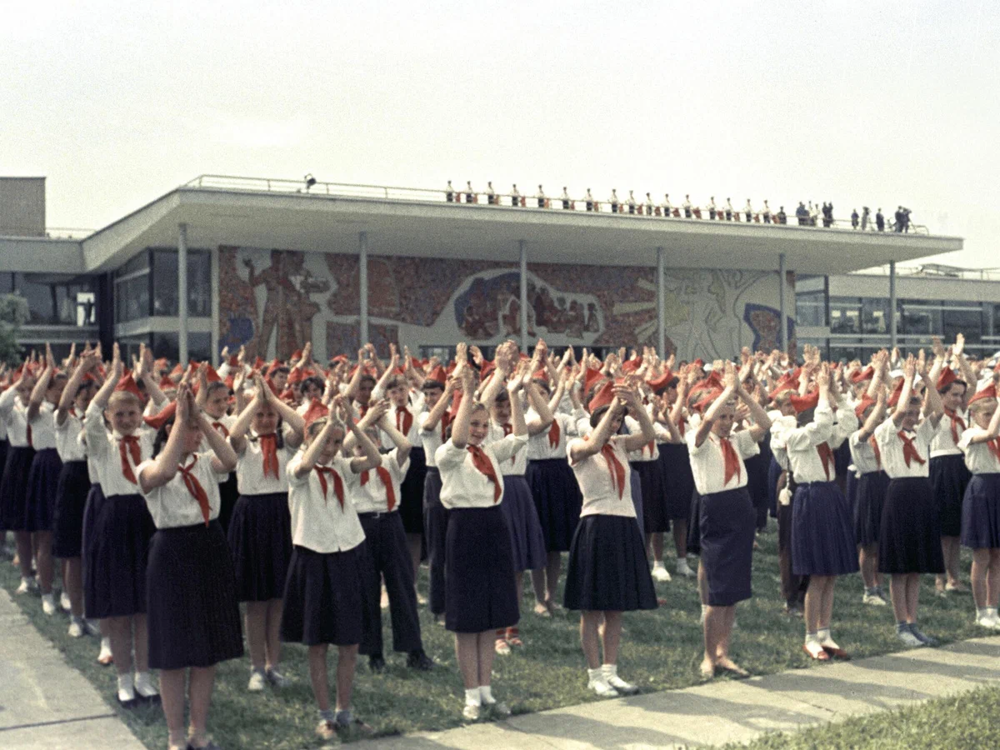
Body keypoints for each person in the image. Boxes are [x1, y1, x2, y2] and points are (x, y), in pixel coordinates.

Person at [137, 385, 242, 750]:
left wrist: (200, 420)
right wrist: (181, 420)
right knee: (174, 653)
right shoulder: (147, 466)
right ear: (170, 431)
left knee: (205, 651)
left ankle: (198, 730)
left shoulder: (206, 464)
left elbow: (229, 460)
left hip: (209, 546)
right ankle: (175, 735)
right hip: (172, 554)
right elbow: (164, 473)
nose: (196, 435)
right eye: (190, 429)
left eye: (198, 429)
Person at [281, 397, 381, 740]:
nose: (332, 449)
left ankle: (344, 711)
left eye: (337, 443)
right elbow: (307, 466)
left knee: (349, 642)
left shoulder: (340, 466)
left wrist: (352, 425)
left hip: (347, 553)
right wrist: (324, 432)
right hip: (314, 557)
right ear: (309, 440)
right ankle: (324, 714)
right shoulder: (296, 467)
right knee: (318, 643)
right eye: (326, 442)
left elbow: (376, 459)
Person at [436, 343, 524, 721]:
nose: (479, 431)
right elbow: (457, 440)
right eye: (473, 424)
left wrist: (514, 389)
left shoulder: (489, 452)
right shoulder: (448, 454)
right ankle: (471, 694)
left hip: (493, 525)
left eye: (484, 426)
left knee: (490, 614)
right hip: (464, 529)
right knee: (467, 615)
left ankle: (487, 689)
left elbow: (519, 438)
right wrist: (469, 393)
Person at [83, 344, 164, 705]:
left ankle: (145, 676)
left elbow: (163, 410)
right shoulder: (101, 445)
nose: (128, 420)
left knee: (144, 606)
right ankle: (123, 677)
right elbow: (89, 413)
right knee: (118, 608)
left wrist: (146, 379)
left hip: (145, 519)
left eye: (133, 413)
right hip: (113, 521)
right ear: (110, 418)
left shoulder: (147, 440)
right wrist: (113, 378)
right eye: (120, 415)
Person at [565, 379, 657, 697]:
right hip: (595, 526)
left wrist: (635, 404)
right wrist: (614, 407)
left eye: (619, 419)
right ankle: (594, 674)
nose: (616, 425)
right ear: (594, 417)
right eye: (610, 418)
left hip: (623, 524)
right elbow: (593, 445)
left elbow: (649, 435)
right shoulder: (578, 445)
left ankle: (611, 670)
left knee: (615, 607)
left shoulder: (620, 446)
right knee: (592, 607)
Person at [688, 362, 771, 678]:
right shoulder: (698, 442)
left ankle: (724, 652)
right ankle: (709, 656)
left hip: (740, 507)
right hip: (716, 509)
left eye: (729, 416)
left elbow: (763, 422)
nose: (725, 422)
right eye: (721, 416)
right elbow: (705, 423)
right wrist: (727, 391)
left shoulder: (736, 441)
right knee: (715, 592)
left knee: (733, 589)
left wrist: (742, 395)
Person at [228, 371, 305, 691]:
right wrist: (253, 402)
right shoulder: (247, 446)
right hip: (252, 517)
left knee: (278, 597)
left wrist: (272, 400)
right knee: (256, 599)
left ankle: (274, 664)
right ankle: (256, 666)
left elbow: (300, 425)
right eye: (259, 415)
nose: (264, 419)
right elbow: (234, 432)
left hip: (281, 516)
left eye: (269, 415)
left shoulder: (287, 444)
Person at [348, 397, 435, 672]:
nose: (367, 446)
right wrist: (364, 421)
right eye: (362, 442)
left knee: (402, 585)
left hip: (390, 522)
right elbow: (343, 446)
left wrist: (383, 423)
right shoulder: (348, 466)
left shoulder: (388, 462)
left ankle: (414, 649)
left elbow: (406, 445)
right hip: (362, 525)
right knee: (367, 588)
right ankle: (374, 653)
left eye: (373, 441)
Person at [785, 366, 859, 661]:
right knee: (817, 573)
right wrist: (824, 392)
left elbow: (850, 422)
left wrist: (836, 394)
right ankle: (810, 636)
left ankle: (825, 632)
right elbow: (822, 425)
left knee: (830, 573)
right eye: (820, 408)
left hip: (829, 496)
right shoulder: (798, 436)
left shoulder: (825, 438)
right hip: (810, 497)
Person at [875, 354, 945, 647]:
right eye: (908, 414)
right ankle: (901, 623)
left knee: (915, 565)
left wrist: (926, 380)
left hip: (921, 494)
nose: (913, 418)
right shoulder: (886, 433)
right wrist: (906, 378)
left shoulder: (919, 435)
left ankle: (913, 621)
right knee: (900, 565)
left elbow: (938, 411)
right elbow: (901, 406)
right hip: (899, 495)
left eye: (916, 414)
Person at [479, 345, 546, 652]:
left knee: (518, 566)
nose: (503, 410)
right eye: (500, 405)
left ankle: (512, 625)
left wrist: (526, 385)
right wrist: (500, 373)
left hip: (519, 492)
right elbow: (480, 401)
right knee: (497, 566)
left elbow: (545, 418)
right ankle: (494, 632)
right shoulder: (486, 431)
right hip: (495, 493)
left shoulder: (518, 424)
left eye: (508, 405)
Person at [25, 346, 67, 615]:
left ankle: (65, 591)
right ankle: (47, 592)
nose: (64, 394)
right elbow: (34, 401)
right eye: (59, 388)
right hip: (44, 469)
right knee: (44, 536)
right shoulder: (38, 415)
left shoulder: (69, 415)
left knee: (64, 536)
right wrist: (48, 370)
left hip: (65, 470)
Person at [958, 377, 1000, 629]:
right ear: (974, 415)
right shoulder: (970, 432)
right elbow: (990, 433)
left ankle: (994, 607)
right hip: (982, 490)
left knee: (997, 555)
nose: (992, 417)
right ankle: (980, 609)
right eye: (987, 413)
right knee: (982, 554)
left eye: (993, 412)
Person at [931, 347, 973, 594]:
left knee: (956, 530)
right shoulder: (937, 415)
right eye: (954, 395)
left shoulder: (961, 413)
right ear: (942, 395)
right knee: (943, 531)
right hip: (942, 467)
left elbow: (973, 382)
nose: (958, 399)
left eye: (961, 395)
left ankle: (954, 578)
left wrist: (960, 357)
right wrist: (939, 361)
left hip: (961, 467)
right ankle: (939, 579)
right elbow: (930, 395)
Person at [418, 368, 453, 621]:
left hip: (458, 476)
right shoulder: (424, 416)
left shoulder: (457, 415)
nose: (430, 398)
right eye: (427, 394)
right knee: (437, 548)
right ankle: (439, 607)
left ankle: (459, 600)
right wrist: (448, 394)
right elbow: (430, 424)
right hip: (436, 477)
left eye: (434, 393)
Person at [0, 364, 37, 595]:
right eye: (22, 390)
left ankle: (38, 568)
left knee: (38, 524)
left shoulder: (43, 411)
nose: (26, 394)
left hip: (37, 460)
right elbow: (3, 401)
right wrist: (17, 383)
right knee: (21, 525)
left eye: (30, 389)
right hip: (18, 462)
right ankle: (26, 575)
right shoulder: (11, 411)